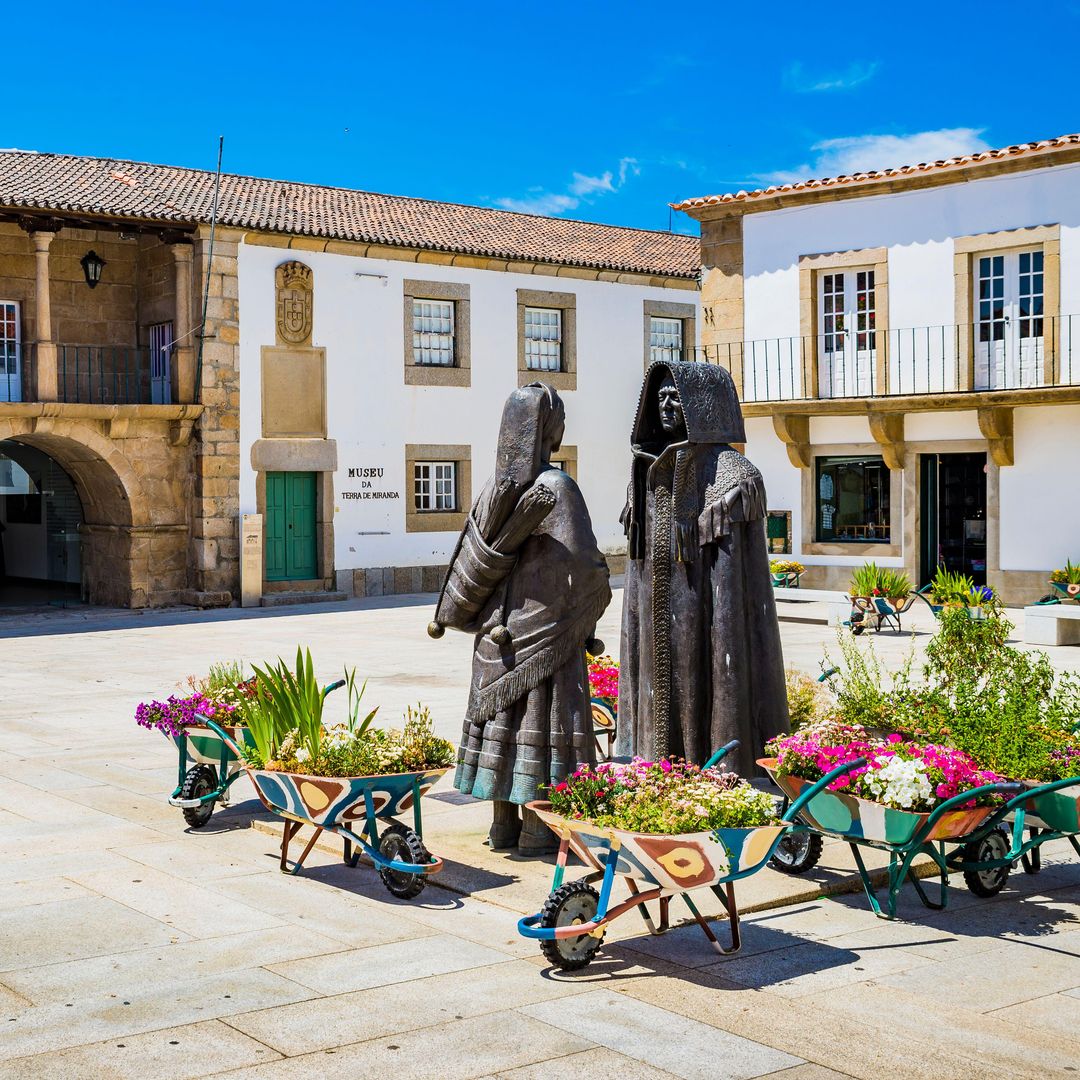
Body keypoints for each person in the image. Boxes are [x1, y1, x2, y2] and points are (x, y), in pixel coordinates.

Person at [429, 383, 611, 853]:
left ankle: (502, 827)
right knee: (541, 734)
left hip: (496, 636)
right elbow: (583, 567)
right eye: (560, 417)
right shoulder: (557, 488)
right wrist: (595, 600)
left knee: (503, 730)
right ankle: (539, 832)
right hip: (546, 637)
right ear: (547, 429)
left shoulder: (496, 490)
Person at [617, 360, 789, 777]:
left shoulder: (734, 476)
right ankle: (651, 767)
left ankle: (710, 768)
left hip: (704, 623)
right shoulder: (644, 474)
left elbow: (735, 585)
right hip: (655, 628)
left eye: (676, 397)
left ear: (702, 405)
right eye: (659, 398)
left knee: (704, 688)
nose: (666, 406)